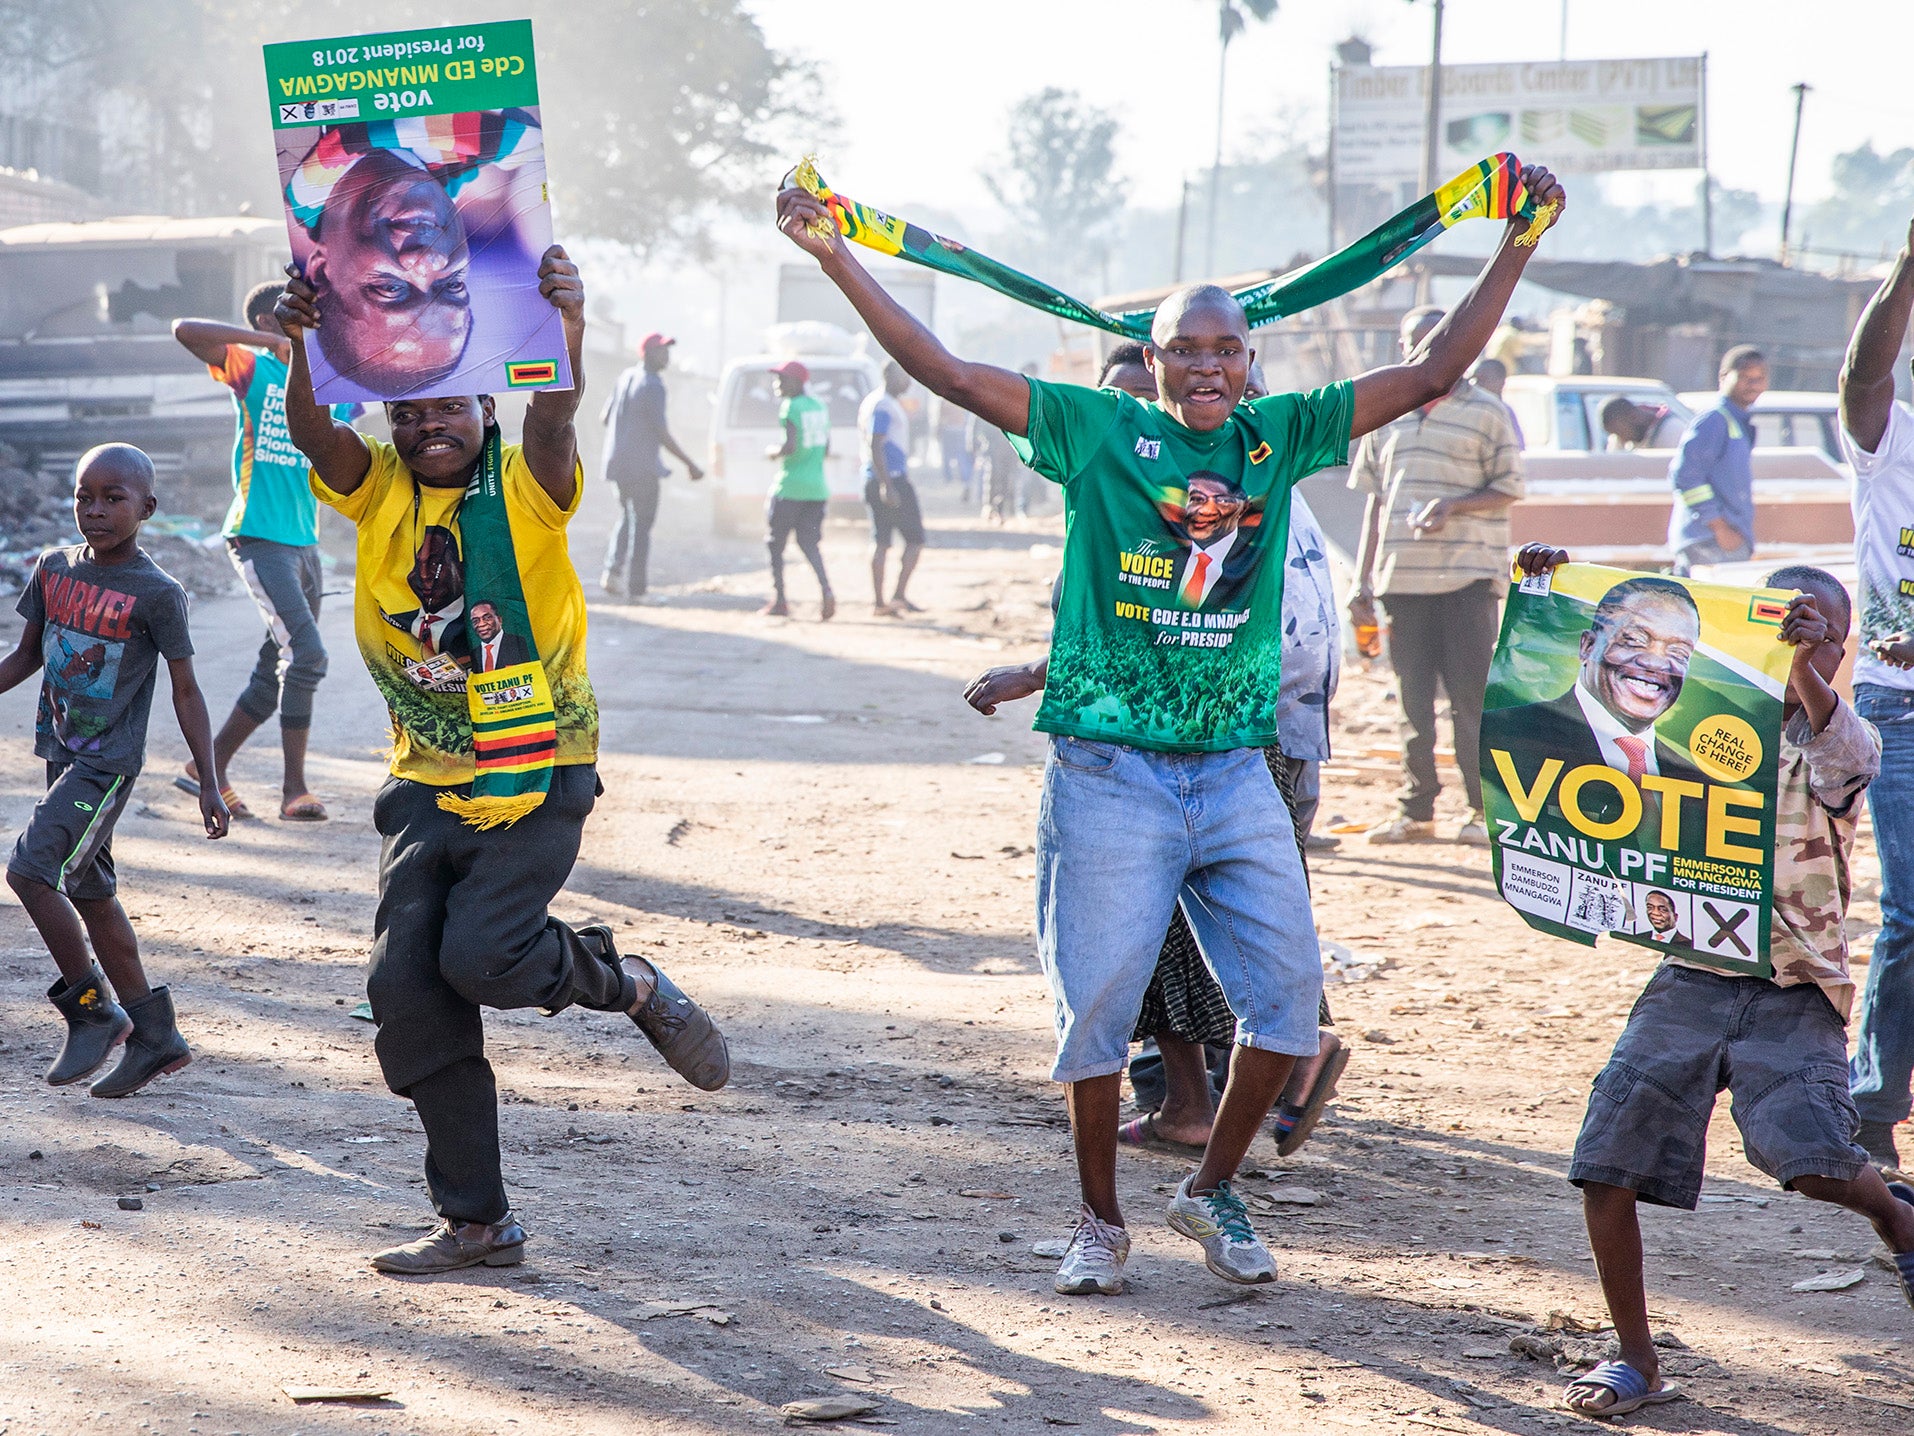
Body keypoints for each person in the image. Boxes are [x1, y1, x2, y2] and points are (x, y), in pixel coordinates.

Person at [781, 161, 1566, 1296]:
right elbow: (944, 369)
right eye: (1183, 350)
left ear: (1250, 362)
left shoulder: (1279, 438)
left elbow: (1438, 368)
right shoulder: (1097, 433)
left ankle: (1208, 1186)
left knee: (1289, 1017)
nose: (1206, 365)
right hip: (1109, 774)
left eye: (1224, 349)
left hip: (1234, 770)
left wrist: (1519, 244)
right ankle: (1100, 1220)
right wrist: (836, 257)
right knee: (1096, 1018)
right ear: (1150, 364)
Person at [274, 246, 730, 1274]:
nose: (427, 424)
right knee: (407, 988)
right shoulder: (379, 487)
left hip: (536, 773)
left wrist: (565, 326)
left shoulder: (527, 486)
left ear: (484, 405)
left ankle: (630, 982)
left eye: (449, 409)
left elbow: (556, 418)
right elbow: (314, 429)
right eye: (408, 412)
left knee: (483, 958)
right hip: (427, 783)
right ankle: (479, 1222)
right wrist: (303, 339)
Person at [1511, 548, 1914, 1416]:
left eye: (1828, 638)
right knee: (1606, 1161)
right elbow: (1578, 710)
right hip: (1692, 972)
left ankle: (1899, 1221)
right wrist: (1545, 589)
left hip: (1794, 987)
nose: (1808, 647)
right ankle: (1637, 1358)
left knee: (1810, 1163)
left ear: (1844, 651)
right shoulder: (1689, 729)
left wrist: (1805, 669)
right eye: (1783, 630)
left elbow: (1849, 755)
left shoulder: (1838, 741)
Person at [0, 444, 229, 1097]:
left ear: (147, 508)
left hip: (105, 767)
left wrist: (209, 780)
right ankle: (158, 1039)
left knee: (28, 870)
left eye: (113, 498)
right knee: (92, 894)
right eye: (83, 496)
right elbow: (23, 658)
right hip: (62, 752)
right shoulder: (52, 569)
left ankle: (94, 1014)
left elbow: (186, 690)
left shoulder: (158, 593)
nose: (94, 510)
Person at [170, 280, 354, 823]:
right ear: (273, 322)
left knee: (275, 668)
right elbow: (183, 330)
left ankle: (206, 766)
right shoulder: (253, 371)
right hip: (258, 537)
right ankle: (293, 789)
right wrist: (264, 340)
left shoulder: (322, 384)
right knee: (308, 655)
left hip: (306, 545)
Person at [1349, 306, 1525, 847]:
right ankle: (1416, 809)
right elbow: (1377, 506)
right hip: (1401, 581)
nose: (1422, 350)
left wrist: (1454, 505)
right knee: (1412, 703)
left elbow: (1510, 487)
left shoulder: (1489, 412)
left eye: (1435, 339)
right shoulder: (1387, 414)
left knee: (1471, 701)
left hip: (1468, 581)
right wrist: (1361, 583)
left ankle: (1480, 813)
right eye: (1413, 341)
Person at [285, 111, 543, 397]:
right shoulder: (499, 141)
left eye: (390, 288)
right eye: (452, 285)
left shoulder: (282, 141)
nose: (432, 261)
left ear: (321, 272)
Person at [1837, 217, 1914, 1171]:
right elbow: (1864, 373)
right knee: (1910, 915)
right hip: (1897, 706)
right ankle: (1871, 1101)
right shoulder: (1890, 444)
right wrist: (1904, 266)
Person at [1479, 574, 1709, 800]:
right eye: (1634, 640)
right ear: (1587, 646)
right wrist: (1542, 574)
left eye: (1678, 652)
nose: (1655, 663)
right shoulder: (1508, 733)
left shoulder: (1697, 781)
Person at [600, 333, 703, 600]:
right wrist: (690, 463)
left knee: (627, 516)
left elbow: (605, 418)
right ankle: (637, 590)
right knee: (641, 526)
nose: (667, 356)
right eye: (662, 351)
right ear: (645, 353)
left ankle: (612, 572)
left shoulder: (625, 377)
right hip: (642, 468)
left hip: (618, 464)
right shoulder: (653, 384)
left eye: (668, 351)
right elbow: (661, 431)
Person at [1669, 346, 1767, 575]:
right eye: (1745, 377)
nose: (1753, 384)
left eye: (1760, 378)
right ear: (1724, 377)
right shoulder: (1715, 420)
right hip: (1709, 542)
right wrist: (1719, 527)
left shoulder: (1736, 420)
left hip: (1721, 540)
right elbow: (1685, 476)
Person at [762, 360, 835, 619]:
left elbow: (790, 446)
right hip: (816, 490)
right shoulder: (819, 407)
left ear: (797, 382)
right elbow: (826, 448)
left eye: (782, 380)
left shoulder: (790, 407)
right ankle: (826, 589)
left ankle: (780, 600)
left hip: (790, 487)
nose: (777, 385)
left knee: (775, 545)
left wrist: (773, 452)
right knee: (809, 544)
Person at [860, 361, 925, 615]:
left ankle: (887, 600)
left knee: (883, 540)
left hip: (880, 478)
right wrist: (887, 485)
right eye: (905, 377)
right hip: (890, 479)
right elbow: (876, 444)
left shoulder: (879, 401)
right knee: (911, 540)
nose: (909, 383)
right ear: (890, 376)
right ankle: (891, 598)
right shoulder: (883, 405)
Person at [1601, 395, 1686, 451]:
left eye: (1620, 433)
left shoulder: (1672, 430)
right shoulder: (1622, 441)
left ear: (1633, 417)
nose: (1622, 440)